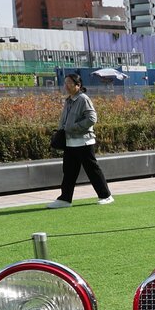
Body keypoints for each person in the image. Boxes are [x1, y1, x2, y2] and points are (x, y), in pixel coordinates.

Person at [47, 72, 113, 208]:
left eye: (69, 83)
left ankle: (106, 195)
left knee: (92, 170)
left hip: (83, 141)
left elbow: (92, 118)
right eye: (65, 83)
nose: (66, 86)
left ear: (78, 85)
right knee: (69, 171)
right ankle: (65, 199)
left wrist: (74, 127)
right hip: (70, 142)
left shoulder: (83, 99)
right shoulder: (68, 100)